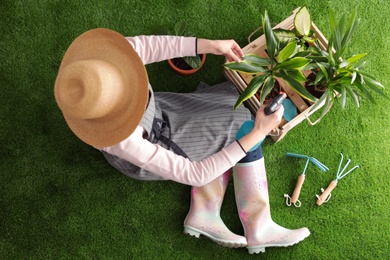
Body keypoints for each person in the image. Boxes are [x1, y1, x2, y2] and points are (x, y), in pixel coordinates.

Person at [54, 28, 310, 254]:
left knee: (233, 96)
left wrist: (209, 45)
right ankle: (258, 226)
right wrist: (258, 133)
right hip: (159, 143)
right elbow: (195, 173)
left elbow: (148, 46)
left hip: (164, 110)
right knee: (244, 124)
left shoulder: (99, 66)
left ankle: (204, 212)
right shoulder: (124, 140)